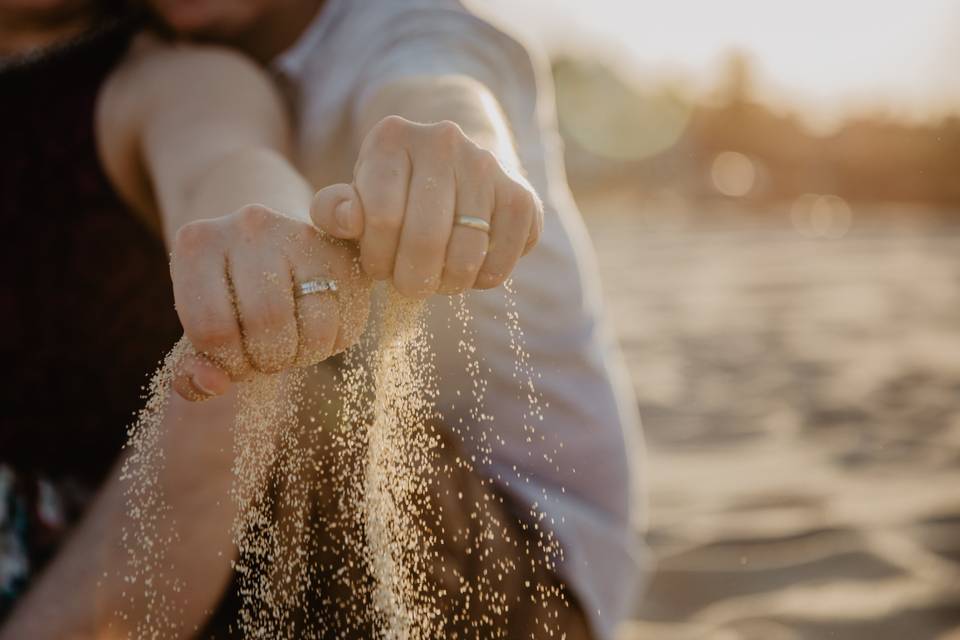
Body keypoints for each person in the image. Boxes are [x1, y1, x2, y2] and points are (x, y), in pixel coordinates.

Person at [143, 0, 646, 637]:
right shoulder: (159, 63)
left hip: (537, 546)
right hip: (383, 505)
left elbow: (443, 92)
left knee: (284, 389)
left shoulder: (411, 23)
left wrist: (457, 156)